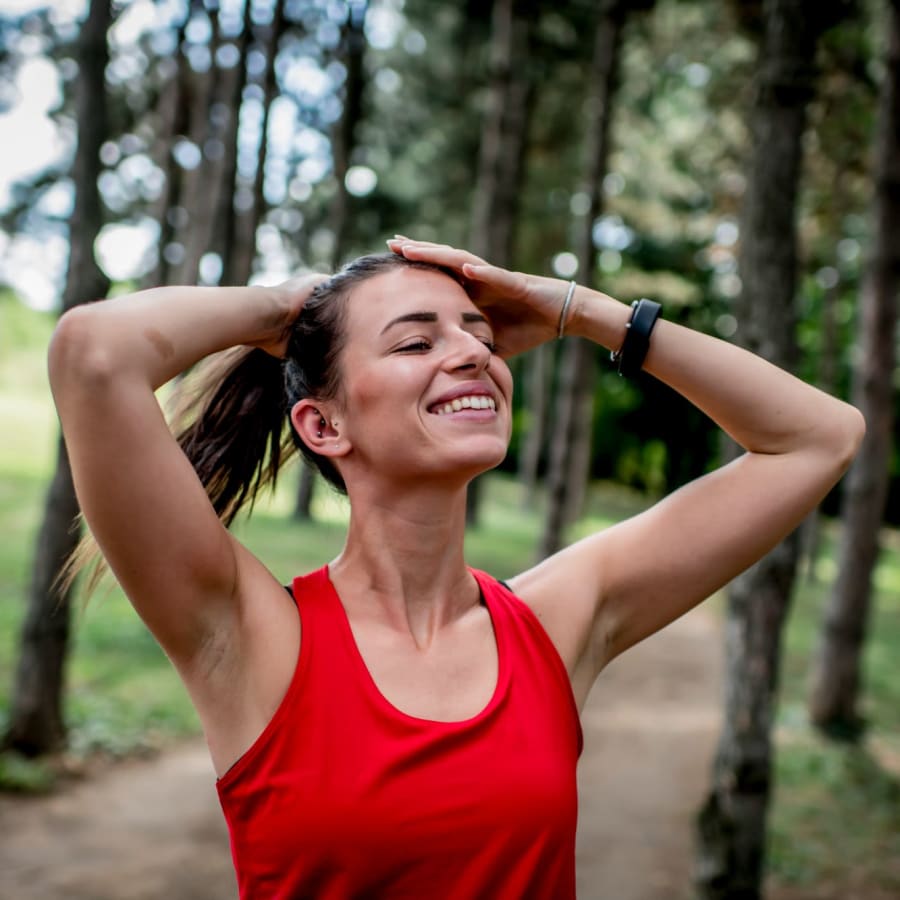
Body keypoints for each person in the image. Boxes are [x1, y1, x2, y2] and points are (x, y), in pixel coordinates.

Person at [50, 237, 864, 899]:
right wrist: (294, 304)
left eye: (480, 334)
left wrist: (584, 313)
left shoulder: (558, 620)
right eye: (415, 340)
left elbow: (820, 437)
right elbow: (94, 353)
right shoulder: (247, 633)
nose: (473, 354)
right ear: (322, 424)